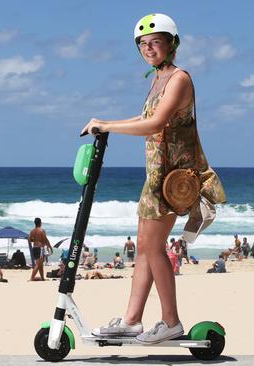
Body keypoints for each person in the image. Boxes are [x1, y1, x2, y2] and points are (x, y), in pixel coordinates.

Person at [82, 13, 226, 344]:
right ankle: (132, 320)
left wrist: (107, 128)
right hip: (155, 176)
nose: (149, 48)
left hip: (173, 180)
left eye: (156, 42)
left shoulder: (179, 79)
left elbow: (156, 124)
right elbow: (143, 117)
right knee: (145, 249)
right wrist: (104, 121)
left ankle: (171, 321)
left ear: (171, 44)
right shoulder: (157, 79)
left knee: (154, 248)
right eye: (143, 44)